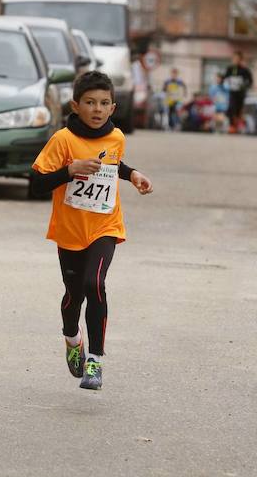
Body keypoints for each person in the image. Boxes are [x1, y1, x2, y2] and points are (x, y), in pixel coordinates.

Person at [30, 71, 153, 390]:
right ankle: (73, 339)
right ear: (76, 105)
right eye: (89, 103)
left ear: (113, 108)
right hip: (70, 231)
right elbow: (36, 182)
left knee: (94, 283)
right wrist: (69, 171)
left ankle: (95, 361)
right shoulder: (63, 140)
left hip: (105, 225)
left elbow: (113, 165)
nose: (97, 109)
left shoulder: (117, 138)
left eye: (103, 103)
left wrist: (133, 174)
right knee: (74, 294)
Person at [223, 51, 254, 132]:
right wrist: (225, 83)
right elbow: (225, 78)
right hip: (232, 92)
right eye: (234, 58)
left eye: (237, 59)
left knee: (238, 109)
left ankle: (238, 124)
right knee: (231, 107)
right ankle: (232, 125)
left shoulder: (244, 70)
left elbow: (250, 81)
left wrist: (245, 86)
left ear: (240, 60)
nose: (235, 60)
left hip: (241, 93)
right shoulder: (229, 68)